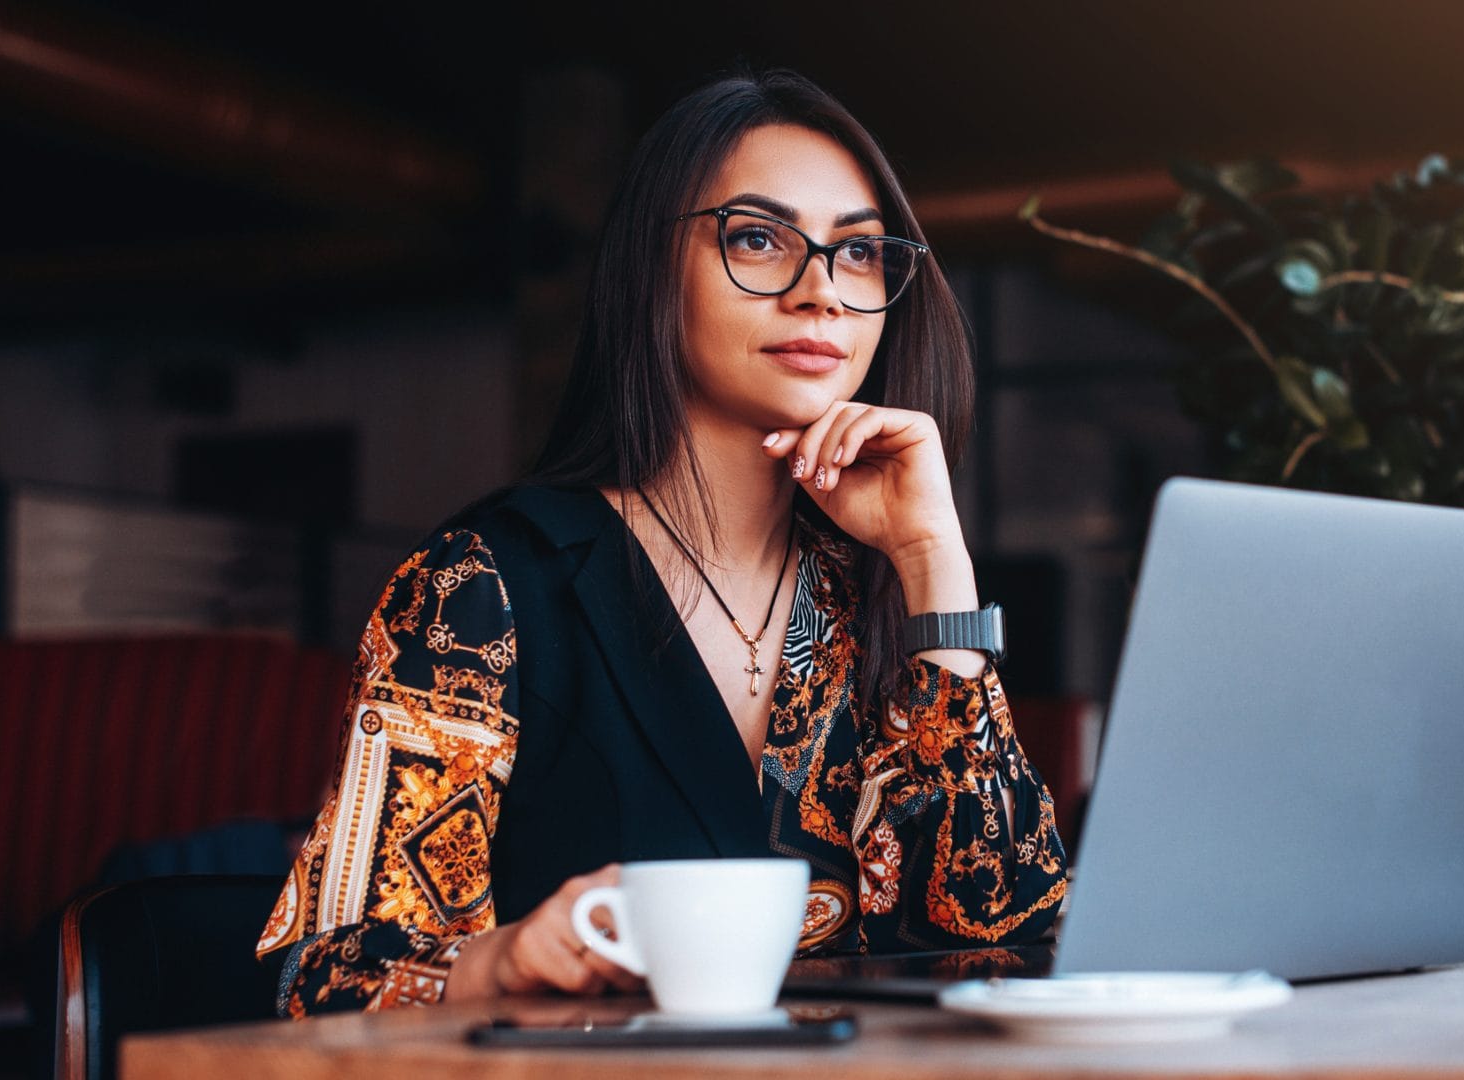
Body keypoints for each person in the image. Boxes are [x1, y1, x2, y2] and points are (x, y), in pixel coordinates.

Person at [255, 68, 1068, 1017]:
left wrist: (935, 558)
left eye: (857, 253)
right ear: (650, 266)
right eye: (759, 239)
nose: (821, 293)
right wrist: (504, 961)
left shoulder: (884, 593)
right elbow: (321, 983)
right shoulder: (483, 589)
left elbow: (1008, 939)